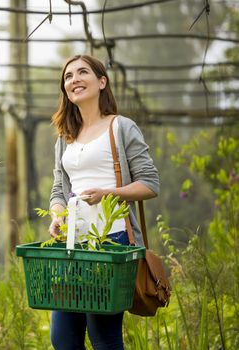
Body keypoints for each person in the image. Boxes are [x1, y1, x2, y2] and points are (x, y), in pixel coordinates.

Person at [48, 54, 159, 350]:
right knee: (62, 338)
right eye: (68, 76)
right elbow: (59, 190)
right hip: (73, 245)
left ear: (101, 82)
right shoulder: (65, 136)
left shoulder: (121, 127)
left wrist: (108, 194)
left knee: (103, 337)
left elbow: (150, 184)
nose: (74, 80)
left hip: (112, 241)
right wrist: (57, 216)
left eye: (82, 72)